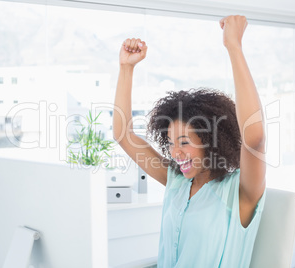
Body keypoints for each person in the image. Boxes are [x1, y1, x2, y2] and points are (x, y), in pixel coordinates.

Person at [113, 15, 266, 268]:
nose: (175, 152)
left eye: (184, 142)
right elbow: (123, 136)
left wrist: (234, 47)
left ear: (212, 141)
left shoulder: (239, 191)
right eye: (171, 143)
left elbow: (255, 138)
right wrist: (126, 68)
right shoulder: (177, 182)